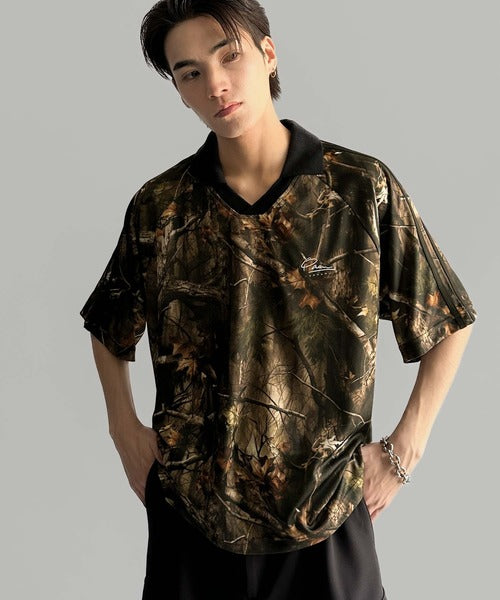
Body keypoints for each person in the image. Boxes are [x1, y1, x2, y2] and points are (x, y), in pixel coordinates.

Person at [79, 1, 478, 598]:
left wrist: (403, 450)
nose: (215, 84)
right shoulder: (161, 208)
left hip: (325, 517)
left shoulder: (356, 189)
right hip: (192, 520)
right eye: (190, 73)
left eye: (228, 56)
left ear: (268, 54)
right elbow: (109, 324)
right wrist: (123, 430)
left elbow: (447, 317)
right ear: (179, 91)